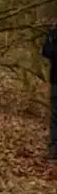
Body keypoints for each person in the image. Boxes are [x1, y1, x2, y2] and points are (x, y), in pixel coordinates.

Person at [44, 25, 57, 161]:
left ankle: (54, 151)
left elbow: (47, 51)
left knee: (55, 118)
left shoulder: (54, 33)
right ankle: (53, 151)